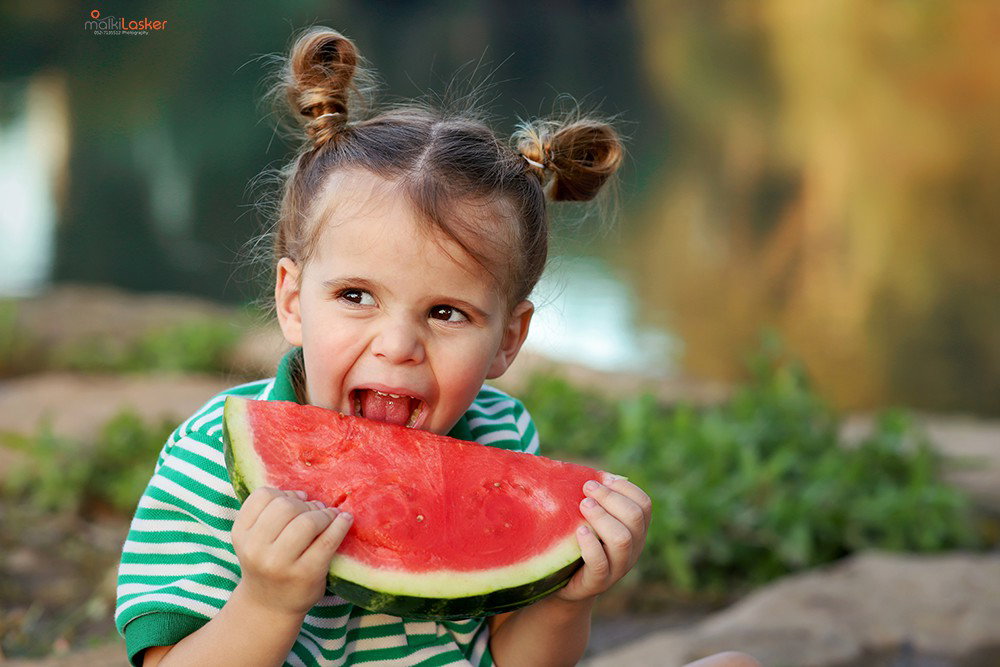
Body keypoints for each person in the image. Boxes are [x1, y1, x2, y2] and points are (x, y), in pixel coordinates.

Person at [114, 26, 754, 667]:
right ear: (291, 300)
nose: (398, 346)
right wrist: (266, 602)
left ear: (508, 340)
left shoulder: (501, 434)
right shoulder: (211, 456)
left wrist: (565, 598)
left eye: (446, 313)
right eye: (356, 296)